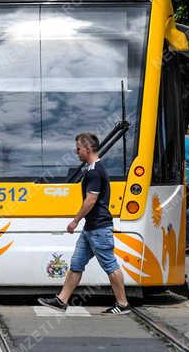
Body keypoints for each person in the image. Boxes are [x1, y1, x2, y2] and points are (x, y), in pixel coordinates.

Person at [39, 133, 131, 314]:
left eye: (78, 149)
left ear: (88, 149)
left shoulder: (95, 172)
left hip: (99, 228)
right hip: (91, 228)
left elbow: (90, 200)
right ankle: (62, 300)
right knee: (76, 263)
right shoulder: (92, 169)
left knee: (110, 265)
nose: (76, 152)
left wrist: (75, 221)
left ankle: (122, 304)